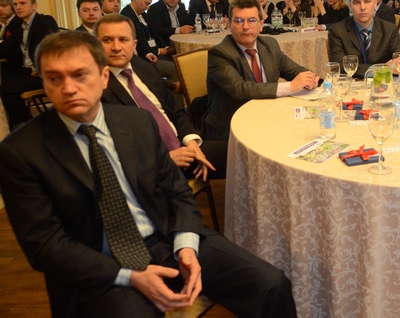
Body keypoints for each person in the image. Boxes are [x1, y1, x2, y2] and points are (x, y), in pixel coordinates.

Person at [0, 30, 297, 318]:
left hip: (167, 236)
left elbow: (177, 191)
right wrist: (129, 276)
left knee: (271, 284)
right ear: (43, 82)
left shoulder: (136, 121)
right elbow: (45, 245)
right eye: (55, 78)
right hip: (104, 265)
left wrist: (186, 245)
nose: (68, 88)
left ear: (103, 77)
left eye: (80, 75)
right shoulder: (21, 151)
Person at [96, 14, 227, 180]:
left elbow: (176, 111)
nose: (116, 47)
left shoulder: (144, 68)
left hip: (184, 146)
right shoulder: (96, 89)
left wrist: (192, 142)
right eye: (107, 40)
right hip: (152, 169)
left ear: (134, 44)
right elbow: (111, 151)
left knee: (243, 153)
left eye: (123, 39)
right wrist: (165, 160)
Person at [202, 0, 318, 141]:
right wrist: (291, 86)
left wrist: (310, 78)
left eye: (252, 20)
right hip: (231, 127)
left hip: (267, 117)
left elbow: (294, 70)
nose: (245, 26)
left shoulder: (269, 45)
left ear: (261, 25)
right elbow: (240, 89)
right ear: (229, 25)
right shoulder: (220, 53)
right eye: (238, 21)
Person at [0, 0, 59, 128]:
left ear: (34, 6)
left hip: (42, 73)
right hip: (24, 71)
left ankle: (24, 126)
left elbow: (53, 47)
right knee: (3, 83)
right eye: (15, 4)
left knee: (7, 90)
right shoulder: (17, 26)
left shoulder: (45, 21)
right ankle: (22, 123)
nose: (18, 7)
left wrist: (39, 68)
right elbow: (6, 48)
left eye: (22, 3)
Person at [329, 0, 400, 78]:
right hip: (353, 85)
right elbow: (339, 65)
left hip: (383, 84)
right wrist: (382, 69)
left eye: (367, 1)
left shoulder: (389, 29)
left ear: (375, 3)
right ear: (349, 5)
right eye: (356, 2)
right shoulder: (337, 31)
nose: (363, 7)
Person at [120, 0, 179, 83]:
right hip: (141, 57)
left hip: (151, 50)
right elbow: (136, 42)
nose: (148, 7)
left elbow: (153, 33)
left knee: (178, 59)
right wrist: (157, 51)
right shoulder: (126, 16)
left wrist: (165, 47)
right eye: (146, 3)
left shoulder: (142, 14)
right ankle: (170, 92)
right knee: (175, 67)